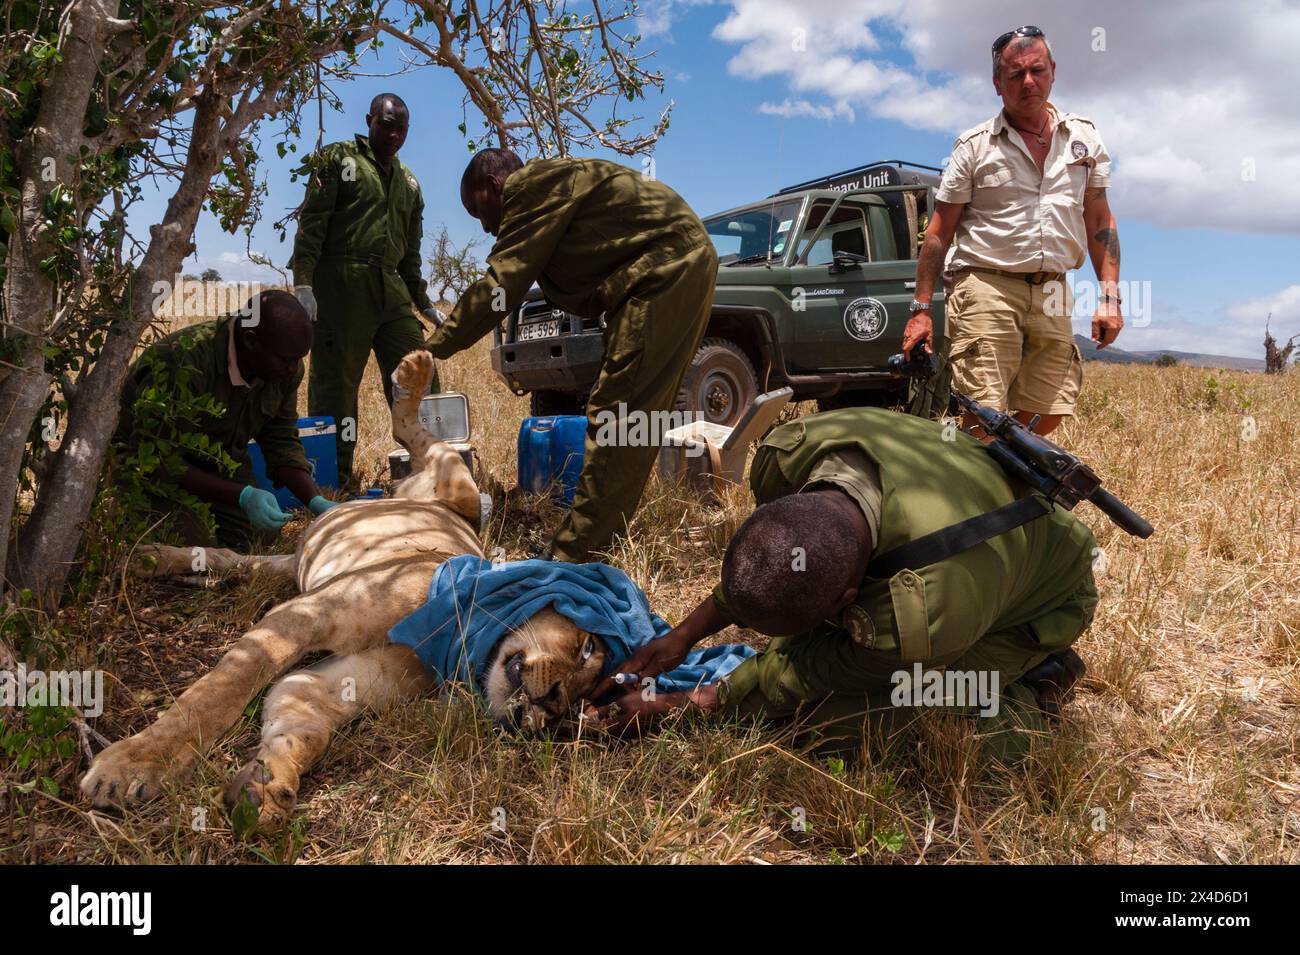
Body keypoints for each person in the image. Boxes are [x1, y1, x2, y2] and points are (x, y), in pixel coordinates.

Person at [590, 406, 1098, 760]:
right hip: (968, 537)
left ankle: (1032, 688)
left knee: (834, 727)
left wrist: (685, 707)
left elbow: (806, 674)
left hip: (1038, 602)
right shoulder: (788, 457)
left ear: (849, 599)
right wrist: (683, 635)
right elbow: (769, 562)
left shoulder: (916, 619)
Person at [424, 148, 719, 563]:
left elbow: (501, 286)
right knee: (638, 418)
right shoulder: (553, 186)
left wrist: (436, 346)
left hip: (663, 272)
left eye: (479, 211)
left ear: (494, 186)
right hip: (680, 265)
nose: (487, 227)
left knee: (618, 415)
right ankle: (601, 538)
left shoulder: (529, 189)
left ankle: (573, 556)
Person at [902, 25, 1123, 440]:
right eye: (1015, 75)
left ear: (1053, 71)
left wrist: (1109, 296)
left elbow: (1099, 220)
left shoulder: (1084, 139)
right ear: (996, 85)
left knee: (1049, 408)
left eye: (1037, 70)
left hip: (1054, 287)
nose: (1028, 82)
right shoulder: (974, 146)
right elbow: (939, 232)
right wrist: (920, 309)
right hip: (986, 284)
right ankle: (979, 489)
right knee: (984, 412)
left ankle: (998, 472)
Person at [290, 92, 440, 482]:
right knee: (337, 388)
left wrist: (422, 302)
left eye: (402, 129)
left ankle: (427, 469)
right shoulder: (339, 159)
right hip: (341, 287)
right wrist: (303, 282)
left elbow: (411, 254)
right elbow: (313, 222)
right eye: (388, 125)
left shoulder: (410, 184)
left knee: (420, 371)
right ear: (370, 119)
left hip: (390, 290)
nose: (395, 135)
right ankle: (333, 478)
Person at [114, 290, 335, 548]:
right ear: (251, 341)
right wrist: (241, 495)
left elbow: (280, 439)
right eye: (287, 360)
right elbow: (157, 459)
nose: (292, 369)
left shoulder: (284, 368)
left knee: (260, 535)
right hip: (146, 471)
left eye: (299, 359)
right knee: (194, 545)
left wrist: (316, 502)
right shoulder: (183, 361)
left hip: (220, 464)